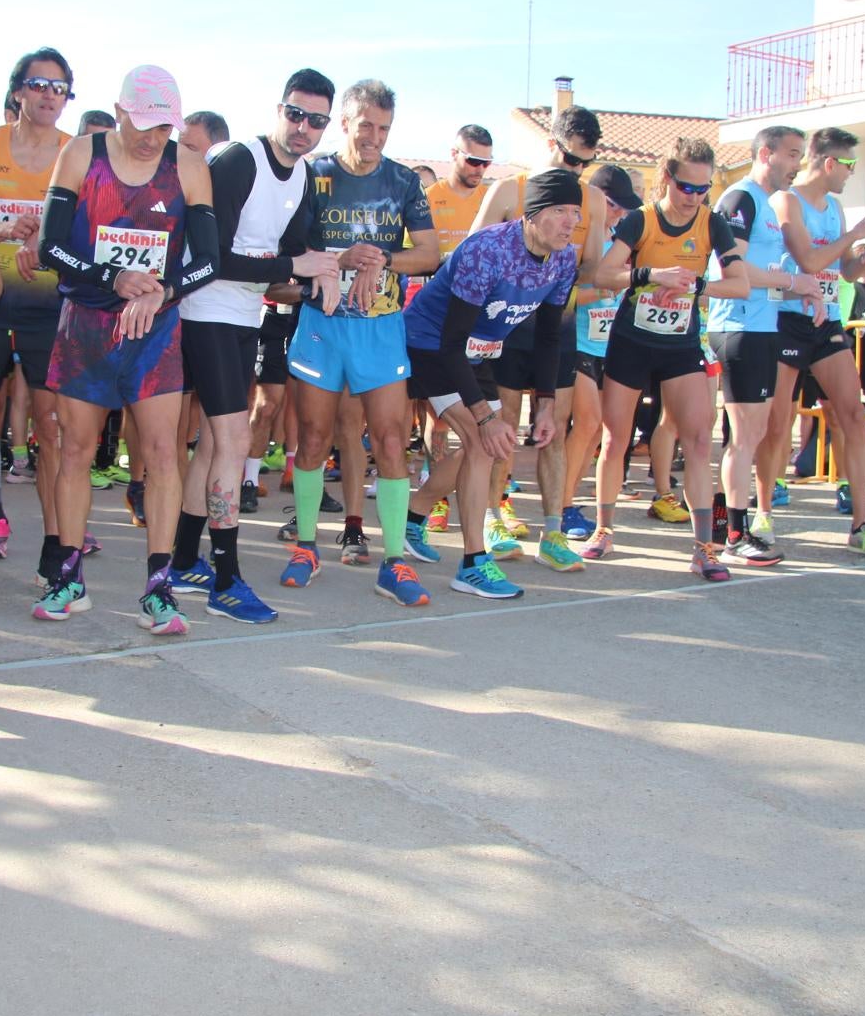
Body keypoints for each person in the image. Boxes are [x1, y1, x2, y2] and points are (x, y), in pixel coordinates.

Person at [33, 65, 221, 633]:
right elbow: (49, 246)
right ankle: (68, 576)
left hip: (155, 330)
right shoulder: (81, 155)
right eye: (141, 123)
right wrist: (110, 276)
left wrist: (163, 290)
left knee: (164, 453)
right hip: (85, 325)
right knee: (74, 449)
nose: (151, 137)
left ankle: (160, 585)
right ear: (117, 111)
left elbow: (208, 261)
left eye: (163, 126)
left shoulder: (187, 166)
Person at [167, 70, 340, 623]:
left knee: (215, 445)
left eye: (316, 121)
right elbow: (211, 258)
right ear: (278, 110)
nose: (303, 129)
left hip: (244, 313)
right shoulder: (239, 160)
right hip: (204, 308)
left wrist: (328, 269)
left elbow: (287, 256)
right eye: (295, 114)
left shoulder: (305, 174)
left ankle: (182, 559)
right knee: (233, 441)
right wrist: (297, 266)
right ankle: (225, 579)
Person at [279, 78, 439, 607]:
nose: (375, 137)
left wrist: (382, 258)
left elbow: (431, 254)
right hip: (323, 323)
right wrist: (337, 260)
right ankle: (306, 547)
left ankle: (394, 561)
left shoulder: (402, 182)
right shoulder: (314, 174)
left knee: (392, 440)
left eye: (384, 128)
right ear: (345, 122)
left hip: (380, 326)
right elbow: (290, 248)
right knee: (313, 437)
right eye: (366, 124)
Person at [402, 169, 580, 597]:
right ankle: (472, 563)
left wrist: (546, 403)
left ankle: (416, 511)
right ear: (532, 214)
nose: (570, 222)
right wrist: (483, 415)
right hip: (430, 342)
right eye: (559, 211)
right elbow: (449, 344)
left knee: (485, 447)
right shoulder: (488, 250)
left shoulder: (565, 258)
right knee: (484, 441)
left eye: (575, 212)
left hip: (479, 350)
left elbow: (549, 335)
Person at [590, 137, 748, 578]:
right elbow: (604, 274)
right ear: (667, 179)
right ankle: (604, 530)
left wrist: (696, 286)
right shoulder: (641, 220)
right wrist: (650, 274)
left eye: (702, 190)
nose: (692, 198)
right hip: (632, 341)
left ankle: (706, 546)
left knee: (700, 441)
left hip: (681, 344)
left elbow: (740, 285)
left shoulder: (713, 224)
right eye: (685, 188)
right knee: (614, 441)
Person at [463, 106, 604, 569]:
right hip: (502, 325)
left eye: (584, 163)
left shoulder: (593, 201)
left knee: (554, 429)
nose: (575, 170)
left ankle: (554, 531)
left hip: (555, 326)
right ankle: (492, 516)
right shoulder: (510, 189)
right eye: (568, 158)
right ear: (550, 146)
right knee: (500, 426)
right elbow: (471, 253)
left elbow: (593, 268)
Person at [0, 48, 73, 573]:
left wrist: (47, 244)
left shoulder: (79, 152)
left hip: (51, 310)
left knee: (50, 428)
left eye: (60, 87)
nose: (50, 95)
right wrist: (0, 230)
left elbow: (88, 231)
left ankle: (56, 547)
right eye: (39, 84)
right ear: (17, 91)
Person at [752, 128, 865, 559]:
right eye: (849, 165)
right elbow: (809, 260)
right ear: (829, 163)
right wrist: (853, 238)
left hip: (826, 320)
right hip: (787, 320)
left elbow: (843, 272)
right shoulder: (787, 200)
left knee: (853, 414)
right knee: (777, 425)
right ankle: (762, 514)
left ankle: (861, 525)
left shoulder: (834, 208)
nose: (852, 174)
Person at [705, 125, 815, 566]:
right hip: (739, 328)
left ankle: (722, 527)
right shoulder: (742, 198)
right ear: (766, 153)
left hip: (762, 327)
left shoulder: (764, 204)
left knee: (746, 436)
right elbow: (737, 269)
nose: (797, 164)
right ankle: (732, 533)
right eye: (792, 154)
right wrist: (792, 280)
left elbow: (763, 274)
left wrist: (799, 292)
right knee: (744, 437)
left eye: (801, 155)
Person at [560, 164, 638, 559]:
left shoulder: (621, 241)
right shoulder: (581, 238)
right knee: (587, 423)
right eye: (613, 205)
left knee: (597, 433)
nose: (618, 214)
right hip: (577, 341)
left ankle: (568, 500)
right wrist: (617, 282)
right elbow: (569, 296)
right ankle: (562, 506)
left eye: (624, 209)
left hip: (610, 344)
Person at [424, 126, 494, 256]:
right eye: (473, 161)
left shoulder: (493, 200)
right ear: (454, 154)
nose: (480, 170)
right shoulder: (427, 199)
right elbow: (414, 254)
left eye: (486, 163)